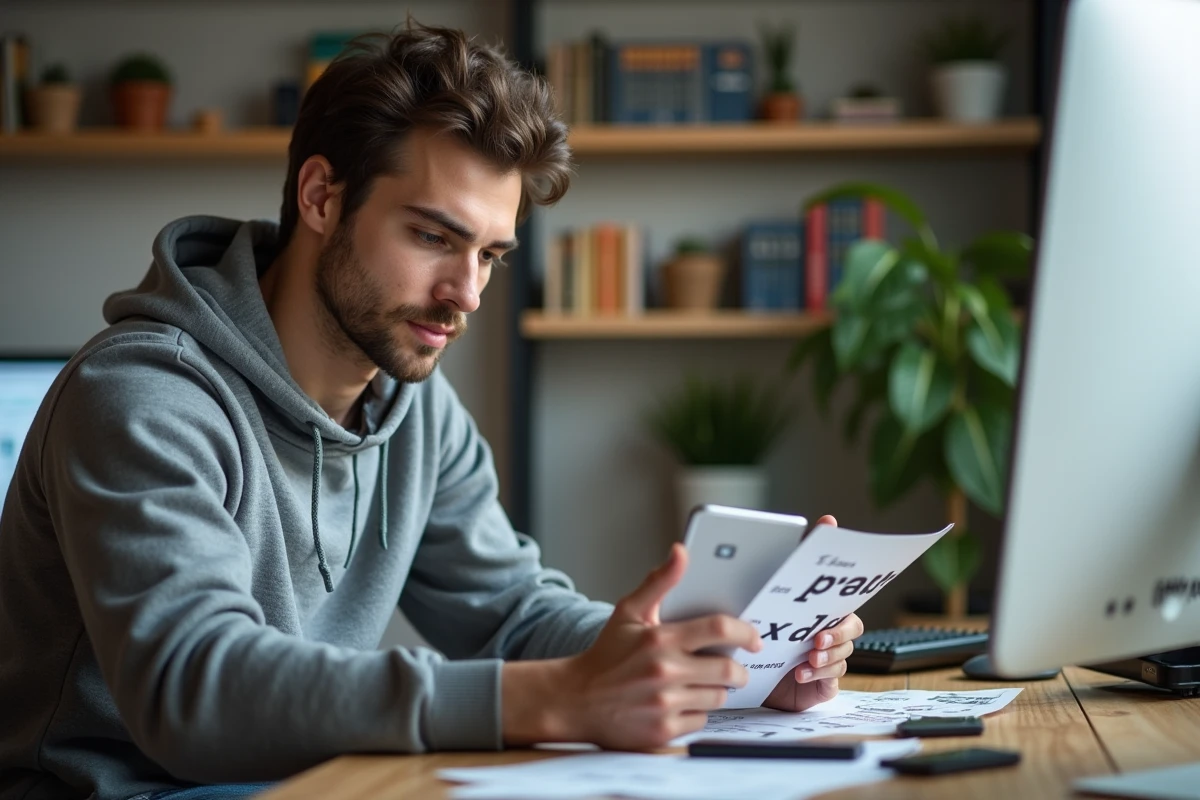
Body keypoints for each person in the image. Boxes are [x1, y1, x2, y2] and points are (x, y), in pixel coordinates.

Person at [0, 22, 862, 800]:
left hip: (308, 782)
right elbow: (192, 688)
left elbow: (510, 615)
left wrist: (721, 664)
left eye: (490, 253)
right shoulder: (142, 398)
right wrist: (560, 697)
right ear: (320, 197)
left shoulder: (412, 401)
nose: (467, 294)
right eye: (433, 237)